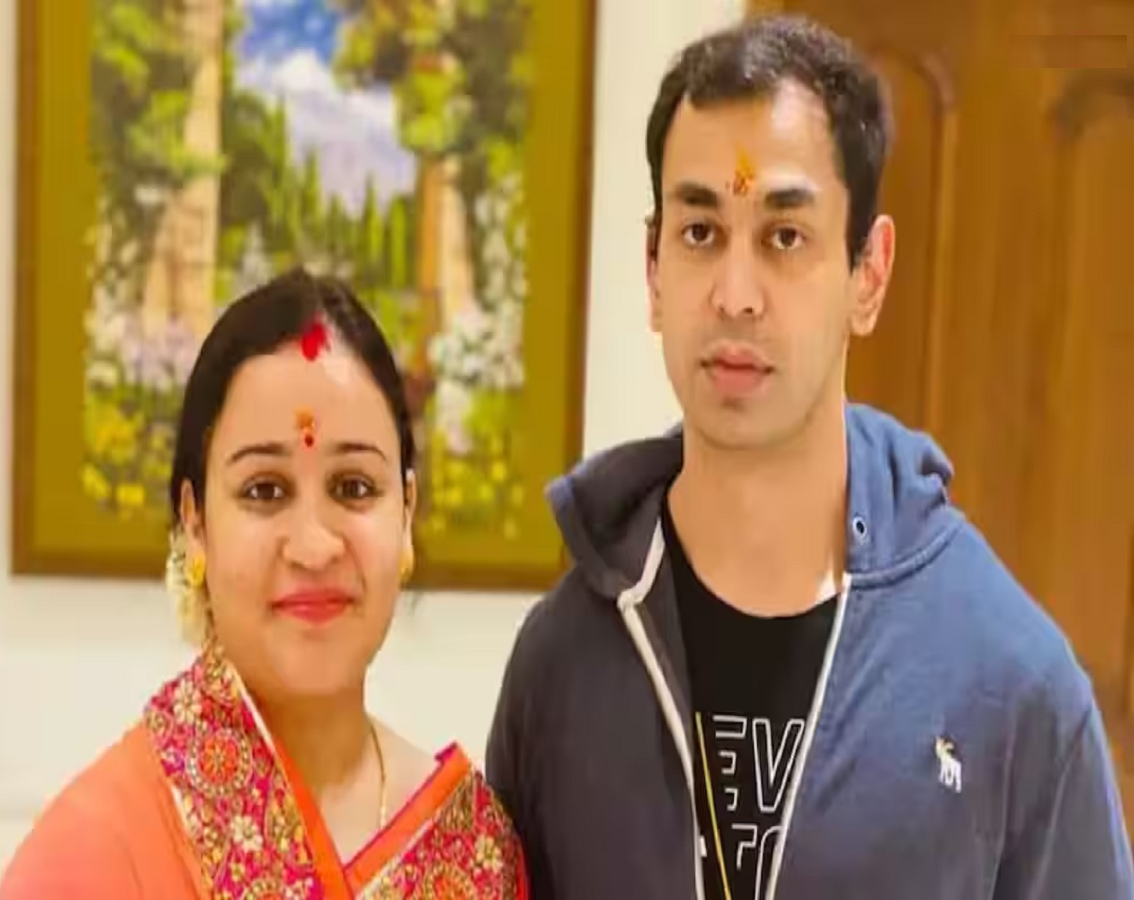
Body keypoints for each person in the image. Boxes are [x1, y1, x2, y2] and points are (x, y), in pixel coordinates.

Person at [486, 13, 1133, 900]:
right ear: (653, 269)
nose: (735, 294)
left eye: (784, 237)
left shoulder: (1008, 681)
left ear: (869, 273)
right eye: (700, 232)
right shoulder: (561, 662)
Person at [0, 269, 528, 899]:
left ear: (406, 513)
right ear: (195, 523)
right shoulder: (91, 854)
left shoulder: (475, 855)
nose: (314, 546)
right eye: (265, 491)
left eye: (354, 487)